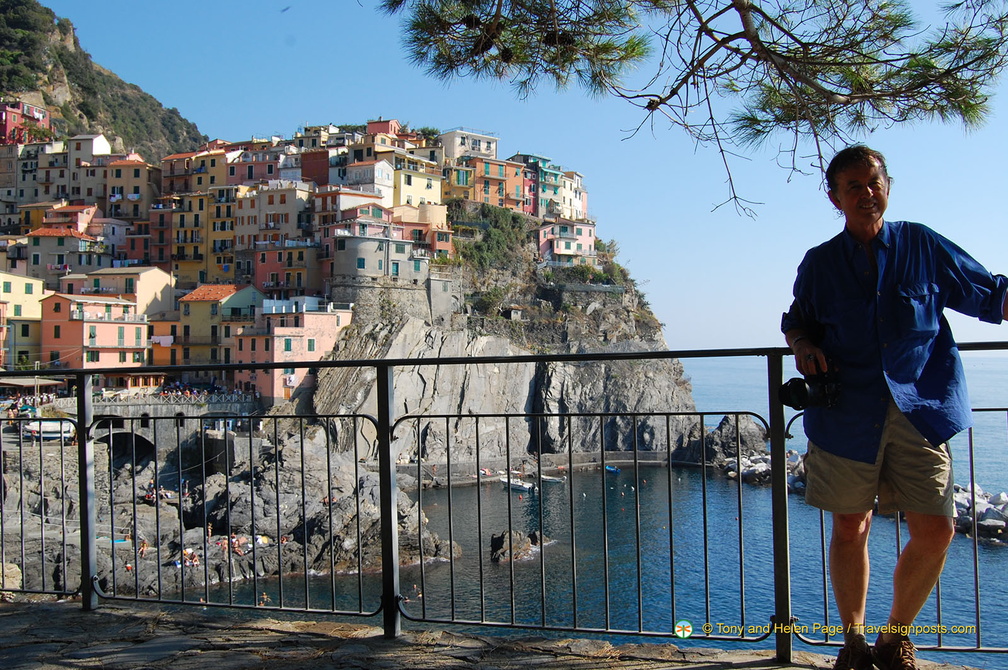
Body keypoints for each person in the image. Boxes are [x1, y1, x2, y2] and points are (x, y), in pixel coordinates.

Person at [781, 145, 1008, 670]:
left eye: (873, 182)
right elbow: (798, 320)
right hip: (846, 415)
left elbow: (987, 294)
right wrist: (802, 347)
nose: (866, 193)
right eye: (853, 186)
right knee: (849, 527)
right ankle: (855, 642)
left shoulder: (922, 245)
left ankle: (894, 638)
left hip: (920, 410)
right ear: (834, 197)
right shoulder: (820, 263)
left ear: (888, 185)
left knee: (936, 528)